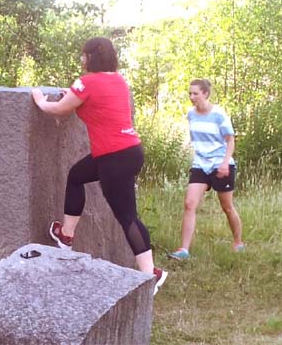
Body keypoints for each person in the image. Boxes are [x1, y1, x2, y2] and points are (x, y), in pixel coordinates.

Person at [31, 36, 167, 295]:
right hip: (129, 152)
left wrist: (40, 101)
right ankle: (66, 235)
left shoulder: (86, 82)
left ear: (90, 57)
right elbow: (92, 105)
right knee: (77, 175)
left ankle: (150, 274)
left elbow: (61, 109)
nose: (81, 59)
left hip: (113, 157)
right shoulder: (118, 80)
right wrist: (70, 97)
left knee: (127, 216)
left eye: (83, 55)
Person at [169, 79, 244, 261]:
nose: (191, 97)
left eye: (195, 93)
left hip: (220, 164)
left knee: (226, 207)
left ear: (205, 94)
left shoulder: (219, 115)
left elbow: (230, 140)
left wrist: (225, 163)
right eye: (190, 93)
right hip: (200, 164)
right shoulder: (191, 114)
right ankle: (184, 250)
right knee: (189, 204)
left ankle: (238, 242)